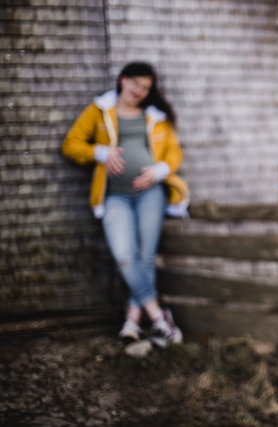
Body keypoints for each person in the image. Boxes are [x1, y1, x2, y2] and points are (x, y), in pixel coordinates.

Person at [62, 62, 189, 348]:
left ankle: (132, 321)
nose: (139, 91)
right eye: (135, 83)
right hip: (114, 195)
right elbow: (71, 143)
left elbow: (174, 152)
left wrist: (158, 171)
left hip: (150, 193)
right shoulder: (99, 111)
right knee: (124, 256)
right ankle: (158, 316)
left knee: (145, 256)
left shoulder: (155, 116)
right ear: (122, 80)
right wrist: (100, 152)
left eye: (145, 88)